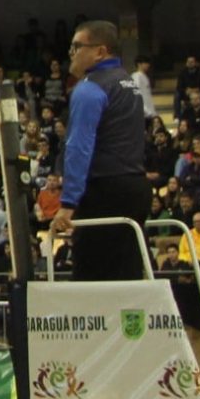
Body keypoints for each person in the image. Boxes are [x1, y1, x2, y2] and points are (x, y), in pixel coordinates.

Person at [49, 20, 150, 280]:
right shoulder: (127, 82)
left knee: (91, 280)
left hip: (105, 192)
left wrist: (68, 202)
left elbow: (79, 146)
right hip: (135, 187)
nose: (71, 53)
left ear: (100, 51)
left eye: (77, 46)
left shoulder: (89, 88)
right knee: (127, 276)